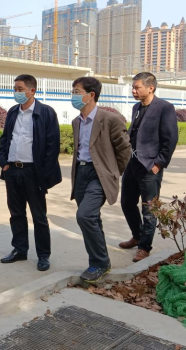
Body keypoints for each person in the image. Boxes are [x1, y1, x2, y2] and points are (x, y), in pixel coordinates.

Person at [70, 77, 131, 282]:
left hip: (100, 175)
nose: (73, 96)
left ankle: (99, 263)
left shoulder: (110, 119)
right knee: (93, 218)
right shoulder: (76, 122)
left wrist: (113, 172)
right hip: (81, 174)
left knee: (85, 215)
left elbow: (124, 149)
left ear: (91, 95)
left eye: (77, 92)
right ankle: (100, 261)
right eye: (73, 92)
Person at [0, 74, 61, 272]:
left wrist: (44, 174)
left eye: (20, 89)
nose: (16, 92)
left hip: (34, 173)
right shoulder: (13, 112)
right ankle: (19, 249)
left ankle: (43, 255)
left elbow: (53, 146)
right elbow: (5, 138)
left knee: (39, 216)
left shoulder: (46, 112)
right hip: (12, 171)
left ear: (32, 90)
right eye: (15, 89)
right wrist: (3, 162)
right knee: (16, 214)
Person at [120, 72, 178, 262]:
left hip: (150, 166)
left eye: (137, 87)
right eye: (133, 87)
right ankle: (137, 236)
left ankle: (145, 247)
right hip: (132, 164)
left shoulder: (165, 108)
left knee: (149, 208)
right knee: (127, 203)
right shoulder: (136, 107)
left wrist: (159, 163)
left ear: (150, 88)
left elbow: (170, 139)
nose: (133, 90)